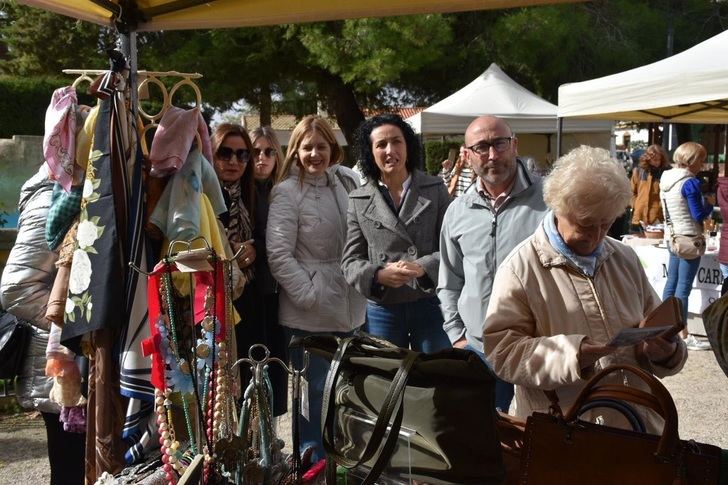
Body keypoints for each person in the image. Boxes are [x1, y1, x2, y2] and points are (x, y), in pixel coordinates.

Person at [483, 145, 687, 434]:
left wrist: (664, 350)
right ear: (558, 207)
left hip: (638, 429)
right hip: (567, 438)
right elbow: (502, 353)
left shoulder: (624, 257)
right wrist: (572, 354)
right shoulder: (519, 268)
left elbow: (656, 326)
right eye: (586, 224)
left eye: (606, 224)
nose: (596, 236)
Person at [266, 115, 366, 462]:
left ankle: (339, 465)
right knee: (313, 397)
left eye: (321, 146)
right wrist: (310, 294)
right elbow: (278, 254)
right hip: (308, 317)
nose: (314, 154)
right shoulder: (287, 193)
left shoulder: (346, 181)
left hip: (350, 310)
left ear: (331, 148)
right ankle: (310, 465)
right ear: (295, 150)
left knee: (344, 395)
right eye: (307, 147)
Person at [437, 115, 548, 412]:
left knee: (541, 439)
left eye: (500, 143)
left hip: (538, 347)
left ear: (515, 145)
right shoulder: (458, 211)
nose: (492, 155)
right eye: (482, 147)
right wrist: (457, 336)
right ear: (468, 154)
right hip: (479, 349)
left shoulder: (552, 201)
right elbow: (449, 282)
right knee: (486, 440)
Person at [0, 165, 86, 485]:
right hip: (61, 369)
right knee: (71, 472)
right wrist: (81, 330)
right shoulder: (52, 196)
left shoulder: (88, 188)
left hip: (79, 363)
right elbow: (17, 290)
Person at [341, 114, 450, 352]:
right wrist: (378, 275)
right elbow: (349, 262)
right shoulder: (358, 199)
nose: (390, 150)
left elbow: (452, 249)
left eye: (396, 141)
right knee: (386, 382)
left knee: (433, 378)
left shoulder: (435, 189)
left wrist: (422, 267)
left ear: (408, 146)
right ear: (370, 152)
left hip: (429, 303)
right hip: (383, 309)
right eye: (381, 144)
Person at [660, 141, 713, 351]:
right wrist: (709, 203)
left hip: (671, 237)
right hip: (689, 238)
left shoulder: (666, 179)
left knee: (671, 284)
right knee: (683, 288)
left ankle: (664, 328)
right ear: (691, 161)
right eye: (701, 159)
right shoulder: (690, 183)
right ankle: (683, 334)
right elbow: (698, 214)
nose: (703, 163)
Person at [630, 144, 670, 233]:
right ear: (648, 158)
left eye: (659, 159)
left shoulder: (667, 172)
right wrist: (635, 205)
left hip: (658, 218)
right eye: (654, 159)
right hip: (639, 217)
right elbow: (631, 192)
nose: (657, 162)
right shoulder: (638, 171)